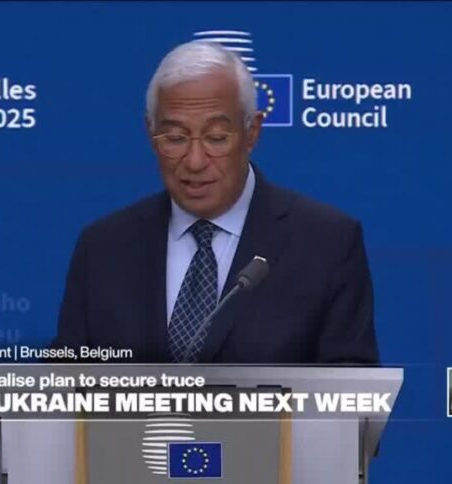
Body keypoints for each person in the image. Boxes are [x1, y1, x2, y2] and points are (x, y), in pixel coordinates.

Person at [53, 41, 378, 364]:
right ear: (151, 134)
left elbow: (352, 387)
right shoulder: (103, 248)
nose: (195, 161)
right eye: (175, 138)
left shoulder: (326, 243)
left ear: (252, 133)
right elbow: (64, 380)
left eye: (216, 138)